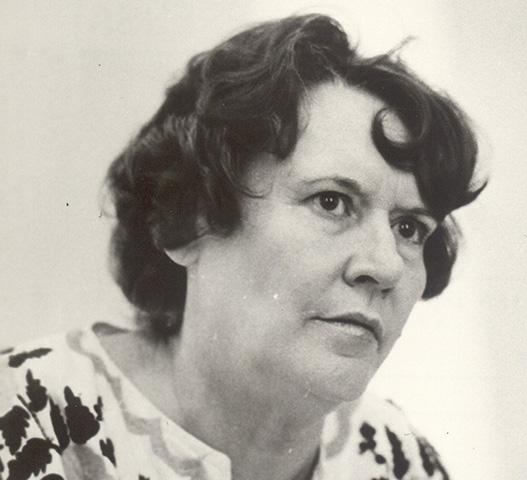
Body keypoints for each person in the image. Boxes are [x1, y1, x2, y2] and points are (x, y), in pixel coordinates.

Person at [0, 14, 483, 480]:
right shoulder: (27, 417)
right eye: (331, 202)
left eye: (409, 228)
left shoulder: (398, 460)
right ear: (188, 220)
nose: (386, 265)